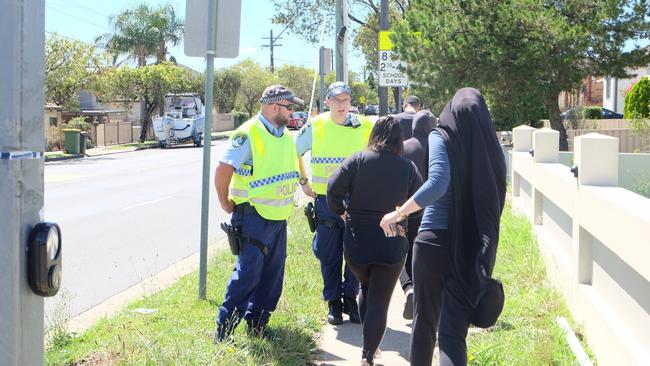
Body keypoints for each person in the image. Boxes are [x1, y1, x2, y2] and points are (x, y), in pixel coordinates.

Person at [380, 88, 506, 366]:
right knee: (452, 336)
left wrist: (399, 213)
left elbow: (437, 182)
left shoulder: (441, 136)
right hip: (468, 250)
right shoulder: (489, 148)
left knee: (424, 326)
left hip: (433, 245)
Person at [327, 116, 422, 365]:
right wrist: (404, 222)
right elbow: (420, 205)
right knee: (379, 299)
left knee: (367, 289)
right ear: (399, 140)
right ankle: (368, 355)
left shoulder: (357, 160)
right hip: (391, 243)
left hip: (357, 242)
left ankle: (371, 349)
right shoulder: (408, 168)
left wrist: (341, 211)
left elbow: (332, 189)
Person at [213, 85, 304, 342]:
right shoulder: (249, 133)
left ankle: (258, 326)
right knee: (247, 276)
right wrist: (225, 203)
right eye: (289, 107)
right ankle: (224, 333)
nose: (292, 112)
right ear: (274, 107)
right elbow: (223, 169)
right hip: (252, 217)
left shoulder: (285, 135)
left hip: (277, 219)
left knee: (272, 278)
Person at [295, 81, 374, 325]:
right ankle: (333, 303)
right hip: (325, 203)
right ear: (327, 102)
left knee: (355, 256)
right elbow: (293, 151)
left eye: (346, 100)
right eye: (337, 100)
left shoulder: (364, 126)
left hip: (357, 203)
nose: (342, 105)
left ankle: (351, 299)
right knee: (329, 256)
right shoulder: (315, 126)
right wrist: (303, 181)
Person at [399, 110, 436, 320]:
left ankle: (409, 288)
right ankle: (425, 296)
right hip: (432, 210)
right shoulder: (441, 148)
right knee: (424, 254)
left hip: (406, 208)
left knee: (401, 252)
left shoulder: (403, 148)